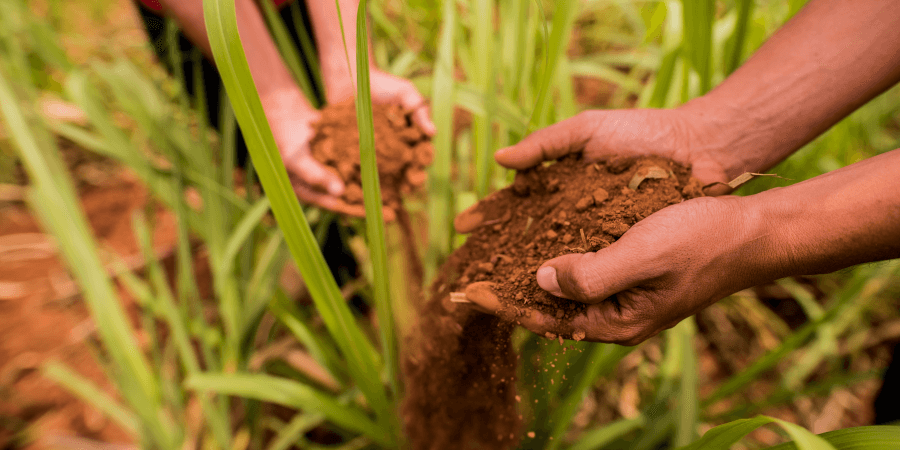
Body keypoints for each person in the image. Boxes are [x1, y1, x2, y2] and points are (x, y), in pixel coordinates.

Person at [135, 0, 434, 217]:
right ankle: (338, 278)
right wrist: (276, 106)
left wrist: (349, 62)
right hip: (197, 14)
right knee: (285, 167)